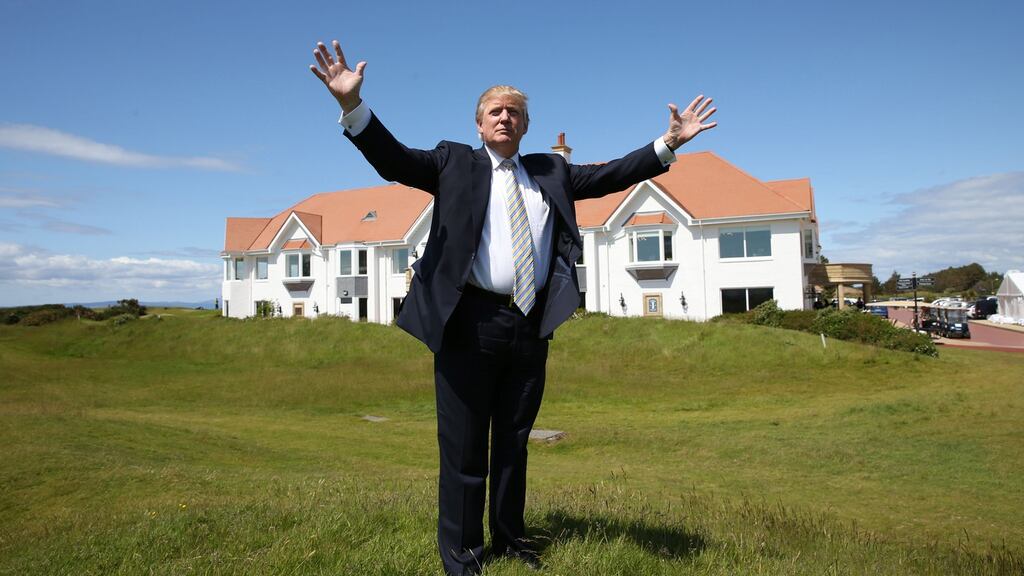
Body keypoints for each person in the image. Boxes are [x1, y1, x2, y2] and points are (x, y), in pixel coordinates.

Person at [310, 39, 717, 576]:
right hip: (468, 323)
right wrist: (351, 105)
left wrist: (668, 142)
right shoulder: (454, 162)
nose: (505, 118)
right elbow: (394, 160)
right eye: (495, 112)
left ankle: (508, 540)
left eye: (515, 113)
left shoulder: (551, 171)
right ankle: (461, 554)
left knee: (513, 442)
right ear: (480, 126)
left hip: (530, 323)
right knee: (463, 446)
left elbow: (615, 173)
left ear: (525, 127)